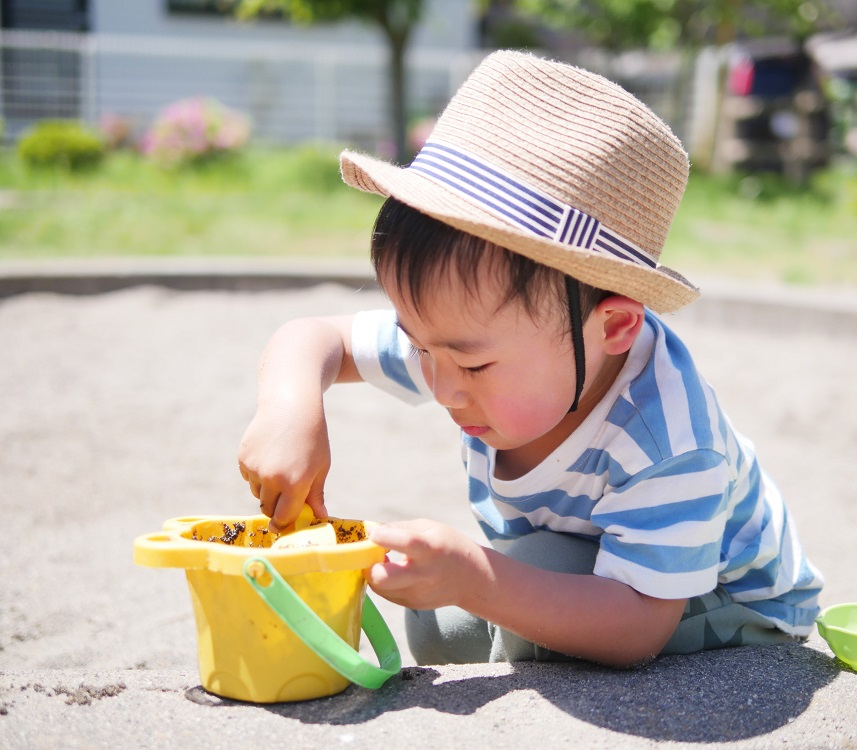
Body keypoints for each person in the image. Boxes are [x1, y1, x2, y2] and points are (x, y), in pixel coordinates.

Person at [237, 50, 823, 668]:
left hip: (724, 604)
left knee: (517, 601)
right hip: (583, 557)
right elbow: (311, 337)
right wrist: (288, 408)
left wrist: (475, 578)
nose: (441, 387)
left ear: (615, 325)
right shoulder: (464, 338)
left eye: (472, 367)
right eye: (417, 345)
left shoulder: (668, 441)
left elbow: (637, 626)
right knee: (439, 625)